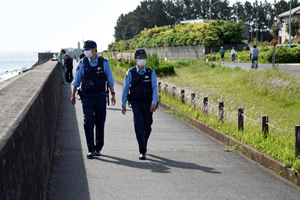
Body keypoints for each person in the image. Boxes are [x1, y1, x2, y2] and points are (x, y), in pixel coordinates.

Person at [71, 40, 116, 159]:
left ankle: (98, 148)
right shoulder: (82, 63)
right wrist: (73, 95)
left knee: (100, 122)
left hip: (101, 96)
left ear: (94, 49)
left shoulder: (104, 62)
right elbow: (76, 81)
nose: (86, 52)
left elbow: (110, 80)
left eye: (88, 49)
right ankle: (91, 149)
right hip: (87, 97)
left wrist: (113, 94)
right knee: (88, 122)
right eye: (84, 50)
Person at [121, 49, 158, 160]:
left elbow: (155, 88)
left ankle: (144, 144)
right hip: (136, 103)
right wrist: (123, 104)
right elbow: (125, 89)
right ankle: (142, 151)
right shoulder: (131, 72)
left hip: (148, 103)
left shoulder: (150, 72)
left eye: (144, 58)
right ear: (136, 59)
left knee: (148, 127)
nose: (142, 60)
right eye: (140, 58)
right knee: (139, 127)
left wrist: (154, 102)